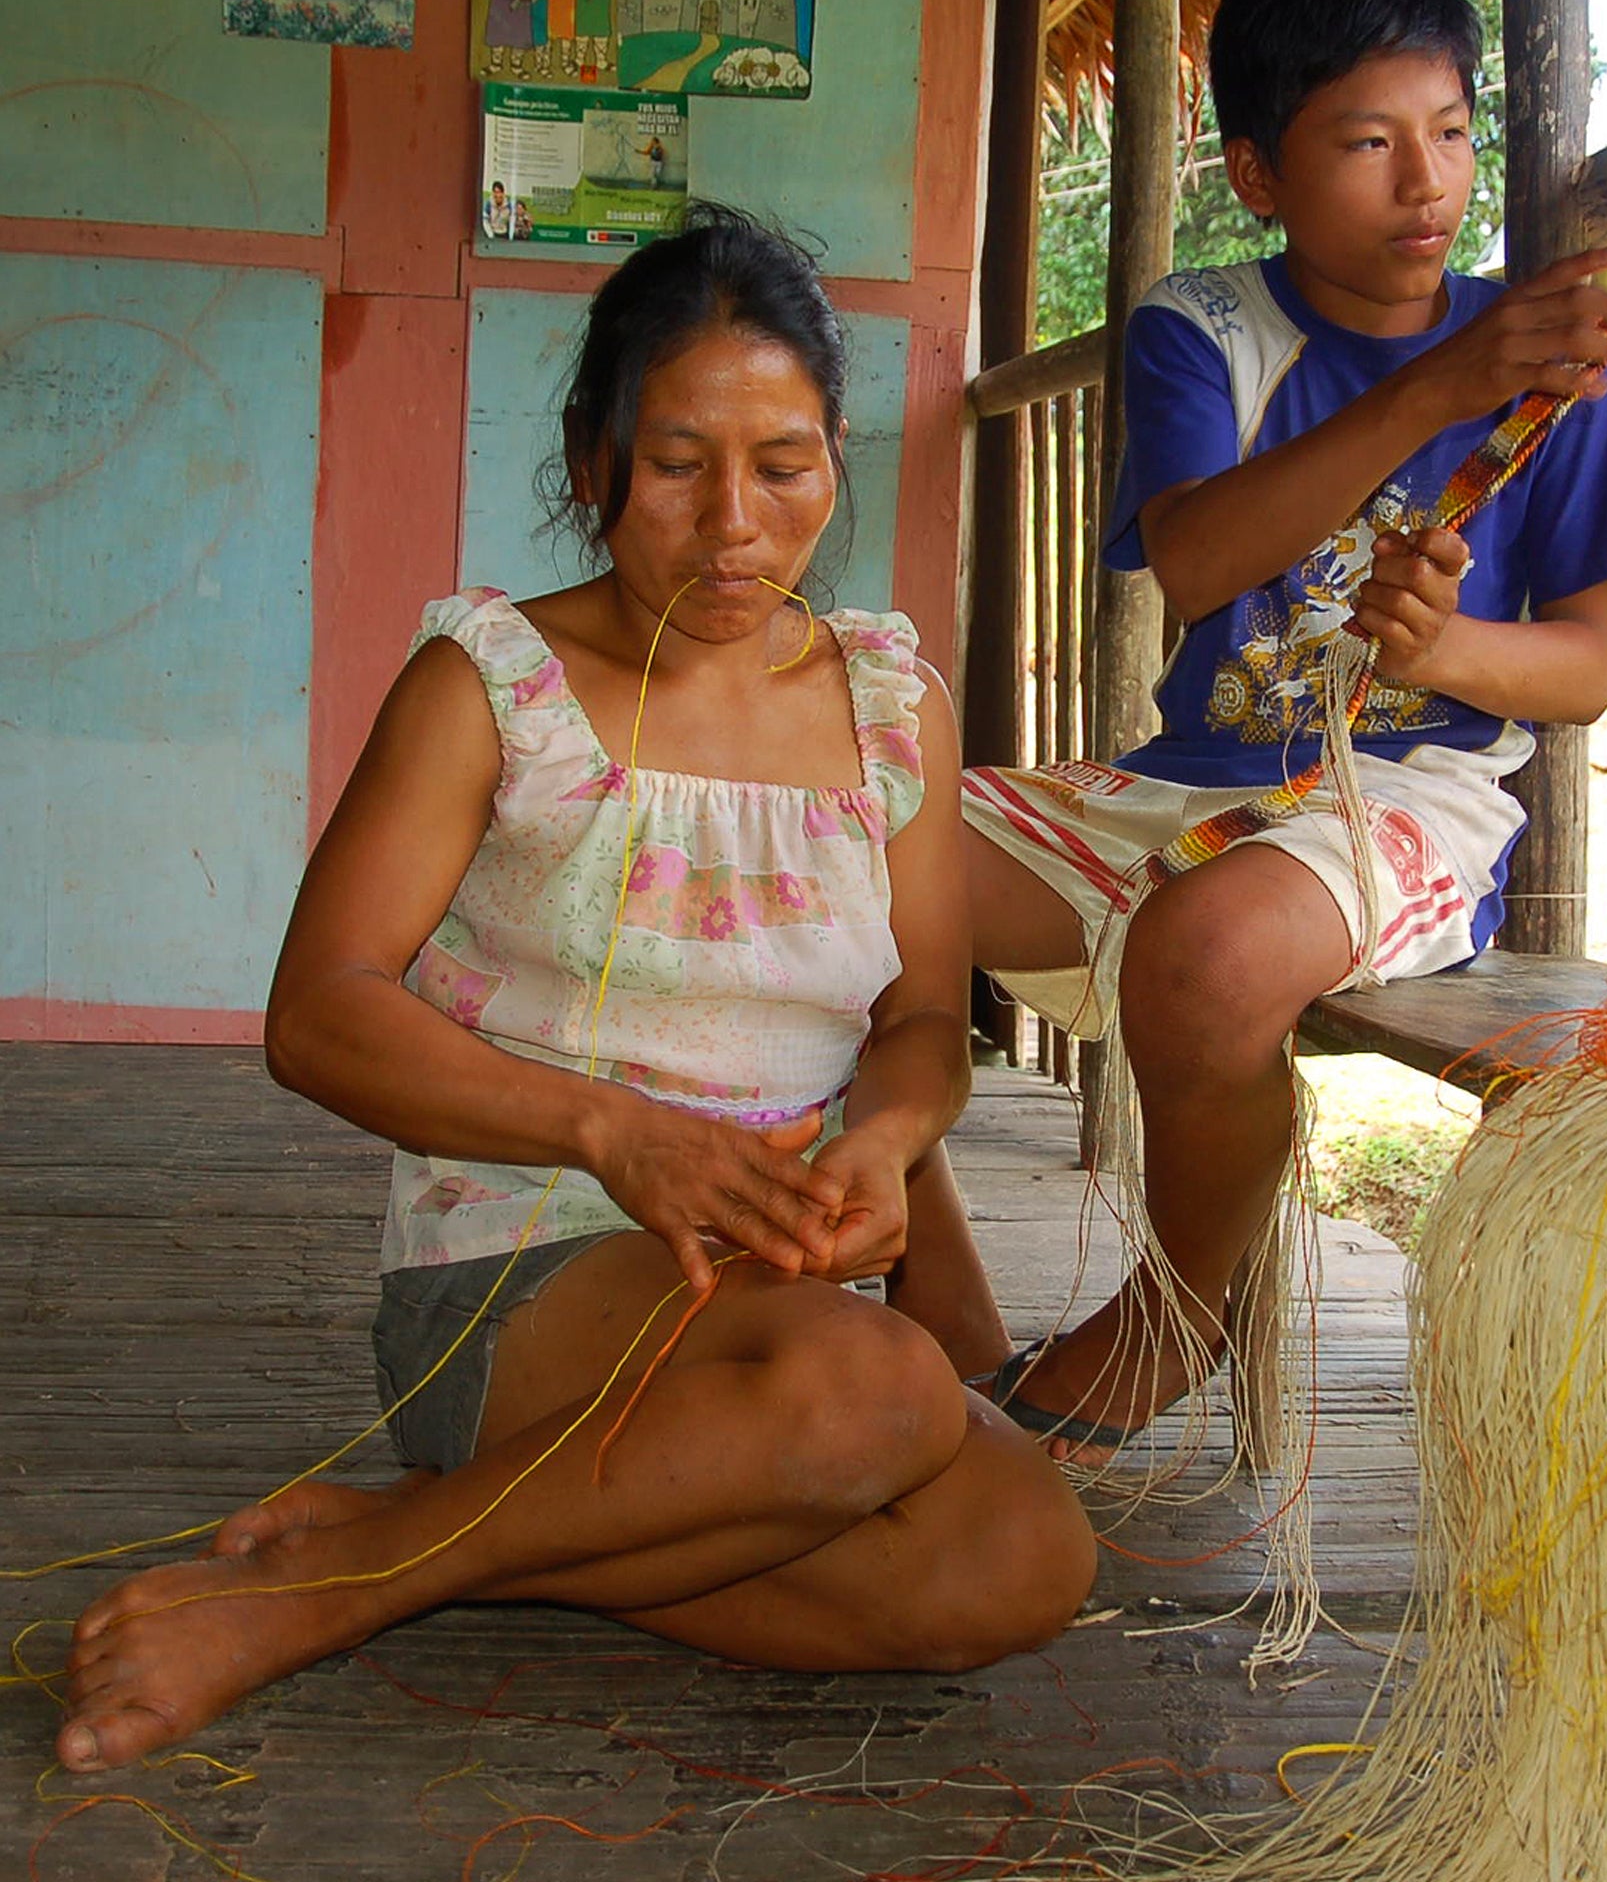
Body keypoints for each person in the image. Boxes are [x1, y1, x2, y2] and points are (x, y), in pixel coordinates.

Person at [56, 207, 1094, 1775]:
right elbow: (319, 1013)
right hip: (523, 1268)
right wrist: (620, 1137)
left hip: (773, 1317)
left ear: (834, 461)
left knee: (1026, 1562)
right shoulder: (495, 687)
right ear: (594, 455)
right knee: (878, 1391)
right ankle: (337, 1589)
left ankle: (458, 1544)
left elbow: (924, 1027)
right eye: (678, 465)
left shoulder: (890, 706)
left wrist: (879, 1146)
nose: (734, 524)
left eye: (786, 466)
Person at [957, 0, 1607, 1460]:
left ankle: (1177, 1309)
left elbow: (1589, 672)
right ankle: (929, 1276)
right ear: (1258, 173)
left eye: (1451, 132)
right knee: (868, 859)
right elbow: (1202, 557)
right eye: (1368, 141)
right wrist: (1440, 387)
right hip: (1192, 778)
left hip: (1402, 802)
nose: (1428, 181)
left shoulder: (1565, 373)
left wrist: (1441, 654)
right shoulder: (1202, 327)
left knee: (1208, 952)